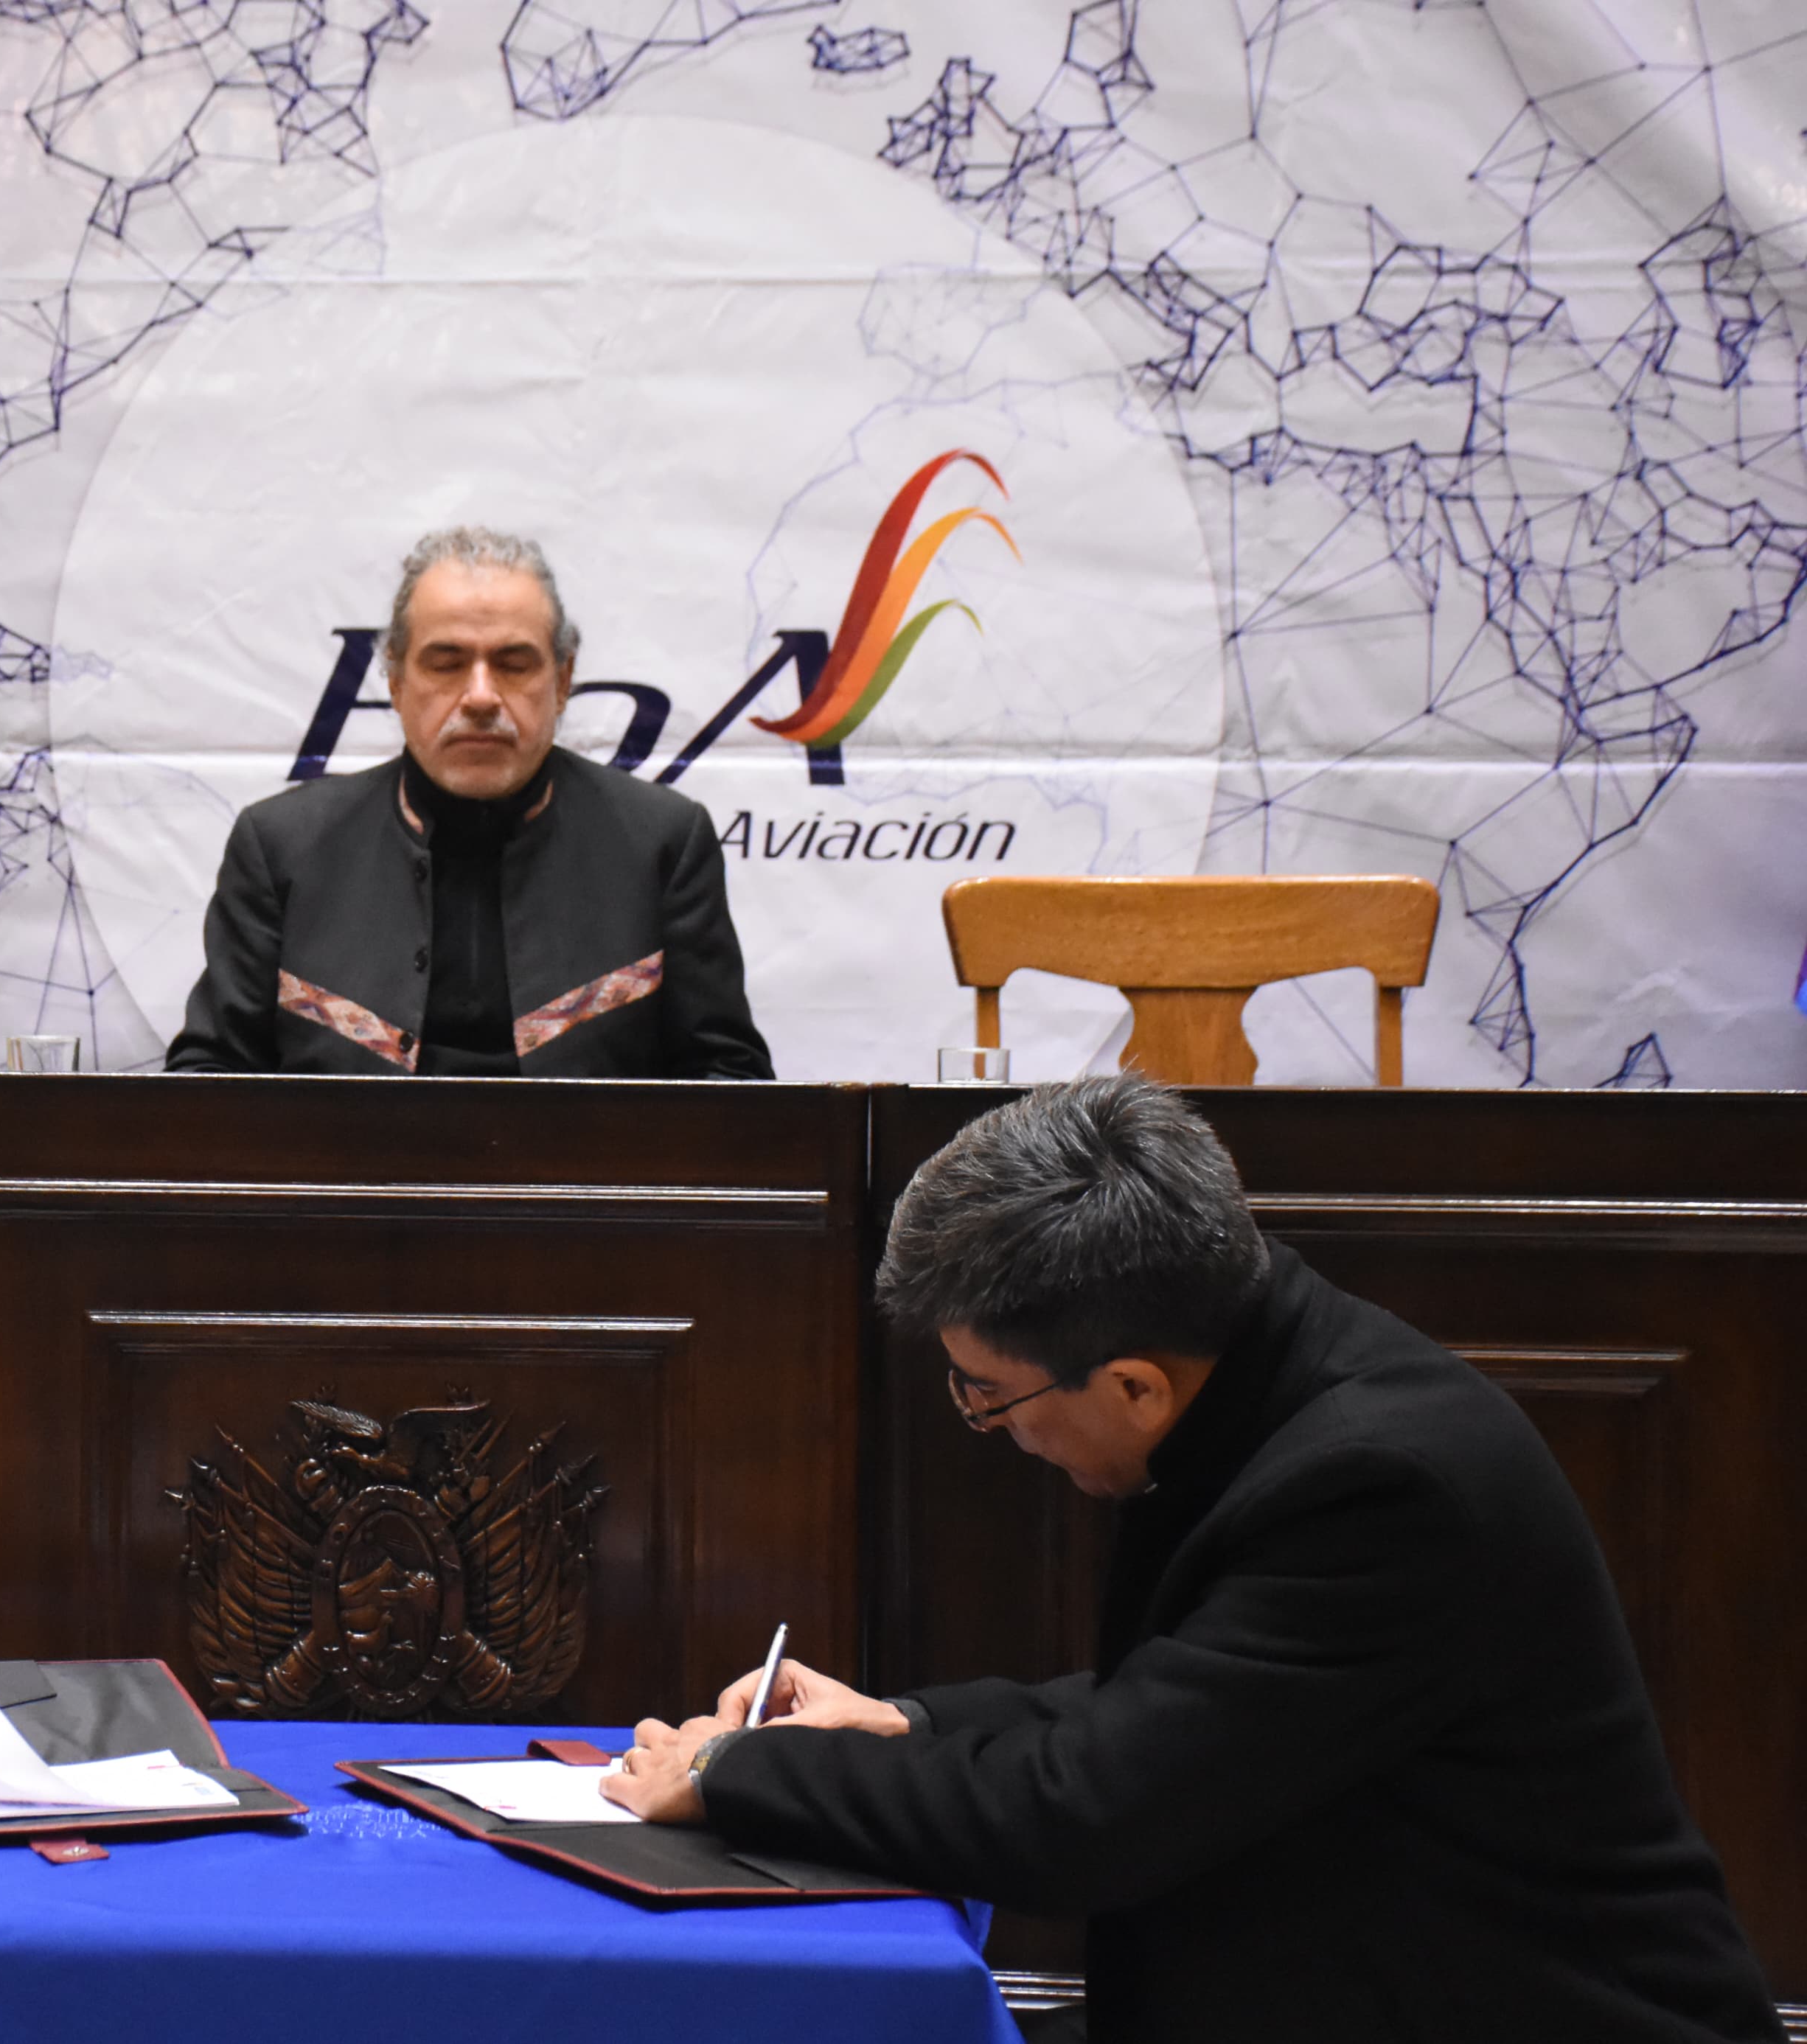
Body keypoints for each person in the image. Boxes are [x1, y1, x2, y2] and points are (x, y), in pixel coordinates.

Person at [602, 1075, 1779, 2043]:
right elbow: (1193, 1703)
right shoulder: (1267, 1361)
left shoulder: (1382, 1486)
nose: (992, 1427)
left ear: (1133, 1386)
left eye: (988, 1396)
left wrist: (742, 1775)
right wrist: (902, 1723)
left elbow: (1088, 1818)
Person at [167, 526, 771, 1077]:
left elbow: (731, 1086)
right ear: (395, 681)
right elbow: (206, 1083)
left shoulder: (661, 844)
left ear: (563, 680)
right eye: (446, 663)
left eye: (513, 664)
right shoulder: (283, 847)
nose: (481, 696)